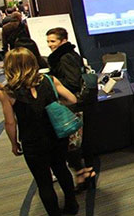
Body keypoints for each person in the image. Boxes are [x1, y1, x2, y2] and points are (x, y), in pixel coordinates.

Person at [0, 47, 80, 215]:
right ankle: (72, 205)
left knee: (44, 182)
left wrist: (14, 143)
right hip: (57, 135)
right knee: (62, 170)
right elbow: (72, 99)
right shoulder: (50, 80)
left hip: (32, 141)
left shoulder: (7, 92)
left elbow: (10, 123)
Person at [45, 28, 95, 192]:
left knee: (72, 143)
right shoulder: (70, 54)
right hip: (75, 104)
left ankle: (83, 174)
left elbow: (72, 82)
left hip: (71, 105)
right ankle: (86, 172)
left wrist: (57, 85)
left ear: (63, 40)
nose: (50, 45)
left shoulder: (64, 57)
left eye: (53, 41)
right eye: (48, 41)